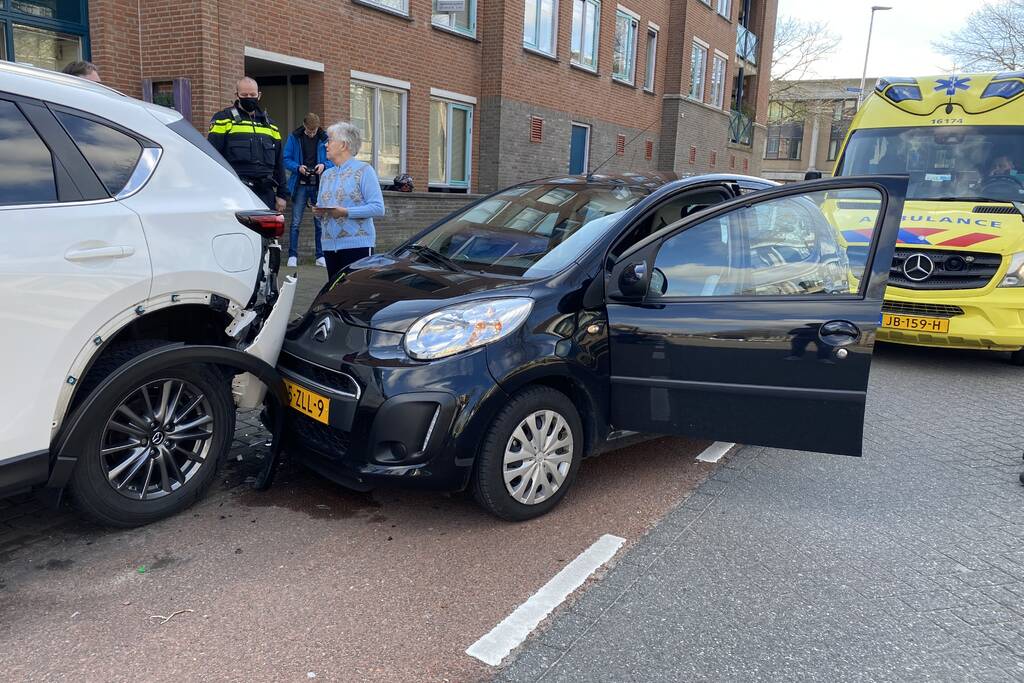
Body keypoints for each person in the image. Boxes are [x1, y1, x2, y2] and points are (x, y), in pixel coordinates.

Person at [313, 122, 385, 283]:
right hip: (329, 246)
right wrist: (319, 212)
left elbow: (378, 208)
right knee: (335, 294)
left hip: (357, 246)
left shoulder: (365, 171)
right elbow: (322, 208)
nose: (326, 144)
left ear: (343, 145)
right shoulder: (326, 175)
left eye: (330, 140)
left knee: (357, 294)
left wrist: (345, 212)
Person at [207, 77, 287, 212]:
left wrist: (282, 194)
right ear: (237, 95)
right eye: (244, 95)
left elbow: (279, 162)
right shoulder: (223, 119)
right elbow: (212, 157)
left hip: (265, 194)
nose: (249, 98)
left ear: (259, 95)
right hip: (236, 192)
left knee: (266, 233)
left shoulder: (270, 125)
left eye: (252, 95)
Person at [283, 113, 330, 268]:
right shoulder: (294, 138)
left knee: (319, 223)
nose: (312, 133)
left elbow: (333, 159)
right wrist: (298, 168)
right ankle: (292, 256)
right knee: (296, 222)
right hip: (300, 184)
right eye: (309, 131)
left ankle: (320, 256)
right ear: (304, 126)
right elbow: (285, 159)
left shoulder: (325, 139)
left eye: (314, 131)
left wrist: (324, 165)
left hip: (319, 184)